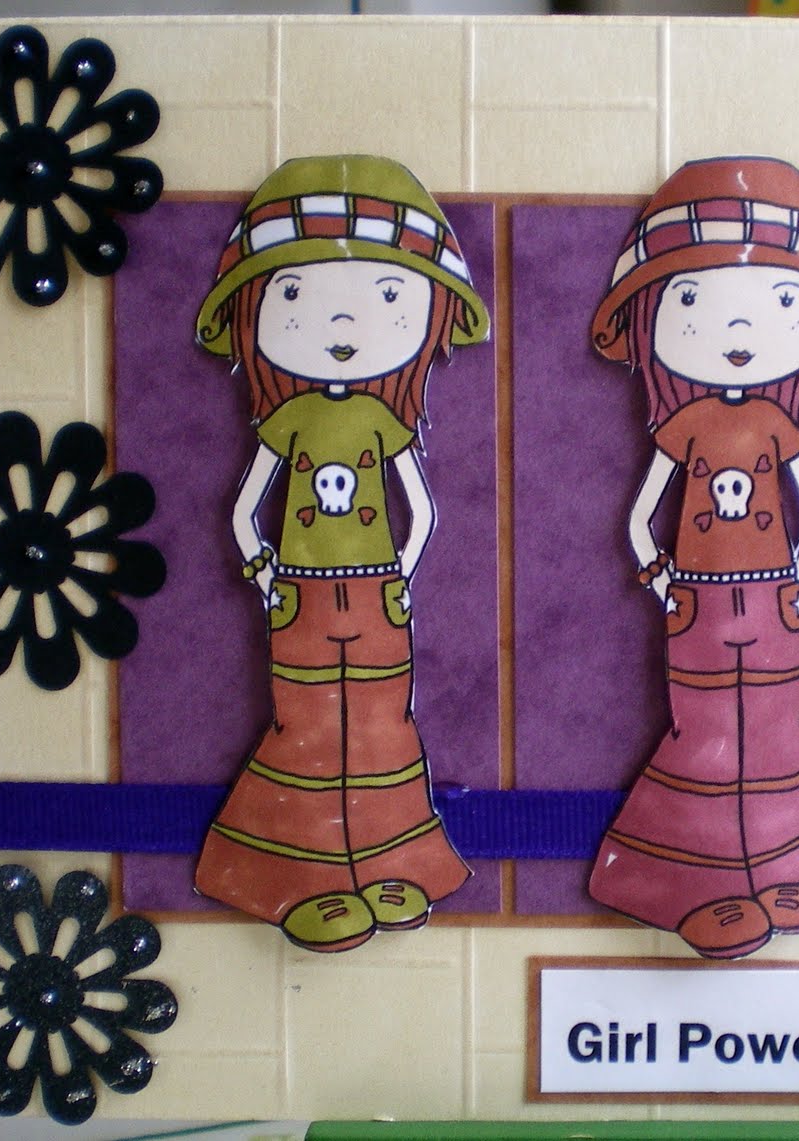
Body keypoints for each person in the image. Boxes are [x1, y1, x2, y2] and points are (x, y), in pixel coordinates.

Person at [587, 156, 799, 959]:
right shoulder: (679, 428)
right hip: (698, 602)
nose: (741, 330)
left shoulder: (781, 427)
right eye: (691, 300)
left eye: (786, 301)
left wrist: (796, 579)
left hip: (774, 599)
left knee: (780, 724)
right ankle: (696, 879)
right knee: (705, 726)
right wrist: (661, 580)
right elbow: (641, 516)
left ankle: (787, 863)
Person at [191, 155, 488, 952]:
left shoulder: (386, 424)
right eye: (293, 295)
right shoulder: (284, 423)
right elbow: (244, 509)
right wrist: (264, 574)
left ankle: (391, 859)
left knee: (385, 720)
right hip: (301, 595)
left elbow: (420, 509)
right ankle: (303, 874)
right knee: (308, 719)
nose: (344, 324)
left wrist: (401, 576)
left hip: (377, 592)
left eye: (390, 297)